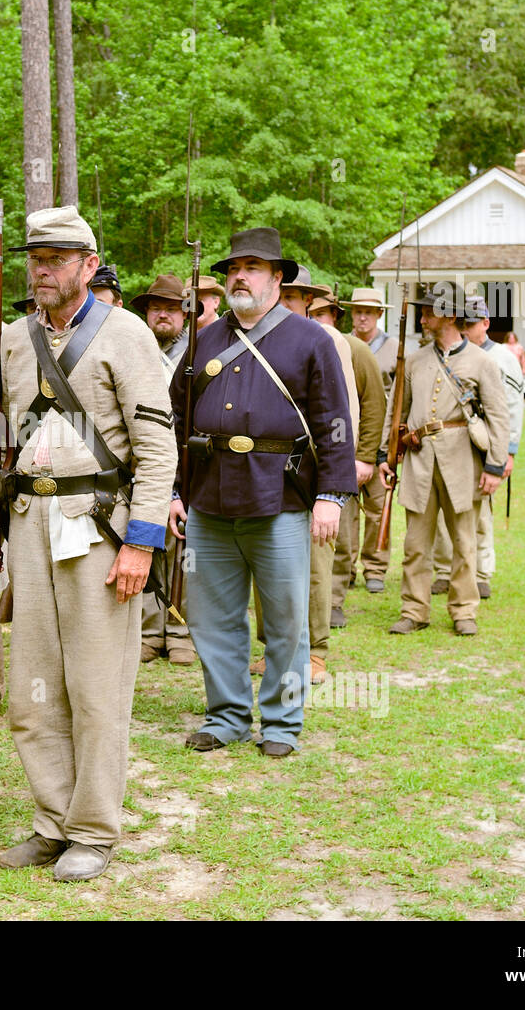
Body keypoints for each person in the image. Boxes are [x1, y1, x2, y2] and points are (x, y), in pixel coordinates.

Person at [0, 206, 175, 881]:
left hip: (99, 527)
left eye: (57, 258)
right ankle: (51, 821)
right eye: (35, 257)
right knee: (31, 692)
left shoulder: (128, 335)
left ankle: (92, 830)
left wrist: (141, 544)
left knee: (96, 689)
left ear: (88, 264)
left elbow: (156, 449)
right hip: (28, 524)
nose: (42, 268)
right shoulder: (14, 340)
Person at [170, 230, 355, 757]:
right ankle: (226, 716)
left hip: (282, 496)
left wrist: (332, 495)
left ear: (278, 278)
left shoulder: (311, 340)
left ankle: (280, 723)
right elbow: (176, 420)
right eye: (234, 268)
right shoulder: (203, 338)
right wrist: (174, 491)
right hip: (208, 496)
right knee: (212, 617)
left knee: (286, 620)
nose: (240, 277)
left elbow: (333, 422)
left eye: (253, 268)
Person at [249, 267, 357, 686]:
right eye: (284, 295)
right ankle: (272, 647)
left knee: (313, 566)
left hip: (309, 468)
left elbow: (341, 415)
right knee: (265, 563)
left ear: (308, 301)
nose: (288, 303)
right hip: (266, 471)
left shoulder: (324, 340)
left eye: (295, 298)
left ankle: (315, 651)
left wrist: (335, 480)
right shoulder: (255, 335)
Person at [381, 291, 511, 637]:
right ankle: (414, 609)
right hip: (420, 461)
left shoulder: (483, 363)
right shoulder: (415, 360)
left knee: (464, 543)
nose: (422, 320)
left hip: (462, 462)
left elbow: (499, 416)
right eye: (422, 314)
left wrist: (495, 466)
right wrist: (386, 455)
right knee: (415, 545)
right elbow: (397, 412)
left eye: (428, 314)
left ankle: (464, 609)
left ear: (450, 317)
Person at [431, 296, 522, 600]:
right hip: (452, 445)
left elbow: (509, 408)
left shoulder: (502, 358)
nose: (466, 329)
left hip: (484, 445)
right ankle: (445, 571)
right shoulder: (444, 353)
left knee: (480, 514)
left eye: (471, 324)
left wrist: (507, 452)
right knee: (445, 515)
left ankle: (481, 573)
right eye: (462, 323)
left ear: (486, 323)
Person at [129, 273, 198, 667]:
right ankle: (150, 631)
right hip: (140, 463)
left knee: (185, 553)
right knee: (145, 544)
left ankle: (181, 631)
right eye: (156, 308)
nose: (163, 315)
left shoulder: (199, 354)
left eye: (171, 308)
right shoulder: (134, 348)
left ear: (185, 314)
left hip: (184, 466)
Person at [310, 292, 385, 633]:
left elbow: (373, 406)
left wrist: (365, 457)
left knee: (340, 534)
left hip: (344, 457)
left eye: (324, 313)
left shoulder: (356, 350)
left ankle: (335, 599)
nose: (318, 318)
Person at [341, 287, 397, 595]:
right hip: (346, 438)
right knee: (345, 508)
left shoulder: (394, 348)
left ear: (379, 315)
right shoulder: (339, 344)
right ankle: (345, 567)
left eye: (369, 312)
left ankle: (375, 567)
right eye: (358, 311)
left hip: (380, 440)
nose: (363, 317)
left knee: (377, 507)